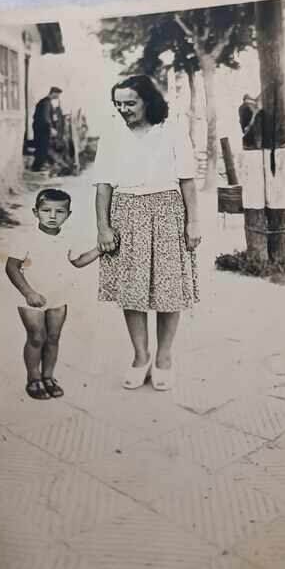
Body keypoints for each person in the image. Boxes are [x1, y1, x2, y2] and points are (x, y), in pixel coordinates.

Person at [94, 74, 201, 392]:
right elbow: (103, 185)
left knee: (169, 289)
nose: (123, 109)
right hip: (126, 213)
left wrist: (193, 222)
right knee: (133, 289)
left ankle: (164, 358)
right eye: (118, 104)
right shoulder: (112, 134)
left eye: (130, 103)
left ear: (148, 101)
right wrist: (103, 227)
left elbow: (187, 181)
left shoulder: (173, 130)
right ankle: (141, 357)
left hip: (168, 213)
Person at [5, 188, 98, 400]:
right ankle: (33, 378)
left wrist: (99, 250)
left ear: (68, 214)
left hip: (58, 295)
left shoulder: (68, 237)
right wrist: (29, 292)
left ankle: (48, 376)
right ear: (35, 212)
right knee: (37, 337)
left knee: (54, 337)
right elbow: (11, 267)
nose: (53, 216)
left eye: (60, 211)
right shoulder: (26, 238)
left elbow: (78, 261)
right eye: (46, 210)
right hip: (31, 295)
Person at [31, 86, 63, 171]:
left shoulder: (44, 101)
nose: (58, 96)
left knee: (41, 147)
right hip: (42, 129)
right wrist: (50, 128)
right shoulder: (46, 103)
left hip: (39, 128)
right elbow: (46, 117)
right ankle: (37, 167)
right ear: (53, 93)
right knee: (42, 147)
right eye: (57, 94)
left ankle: (38, 165)